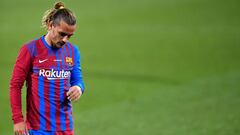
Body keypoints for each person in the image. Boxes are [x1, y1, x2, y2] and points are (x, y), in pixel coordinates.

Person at [10, 2, 85, 135]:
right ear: (51, 25)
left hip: (65, 127)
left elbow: (78, 80)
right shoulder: (30, 50)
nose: (65, 40)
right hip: (38, 128)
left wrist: (78, 88)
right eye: (62, 34)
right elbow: (15, 85)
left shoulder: (73, 51)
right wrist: (18, 120)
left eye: (70, 36)